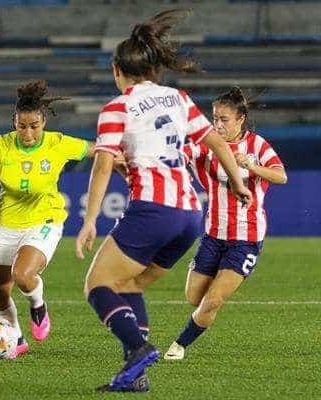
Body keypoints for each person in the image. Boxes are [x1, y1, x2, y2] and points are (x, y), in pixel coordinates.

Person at [74, 10, 253, 392]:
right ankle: (135, 379)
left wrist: (89, 220)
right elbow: (218, 142)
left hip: (153, 210)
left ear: (116, 70)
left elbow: (103, 163)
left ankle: (138, 349)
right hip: (190, 215)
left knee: (98, 284)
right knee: (130, 286)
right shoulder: (177, 98)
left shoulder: (117, 107)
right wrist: (238, 183)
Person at [0, 80, 95, 359]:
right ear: (14, 124)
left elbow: (98, 150)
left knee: (23, 275)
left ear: (43, 122)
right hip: (7, 224)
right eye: (22, 126)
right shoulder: (1, 144)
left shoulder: (58, 143)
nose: (28, 133)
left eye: (34, 126)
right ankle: (16, 338)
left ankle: (38, 306)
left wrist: (125, 157)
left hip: (45, 219)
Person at [164, 87, 287, 360]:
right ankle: (206, 308)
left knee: (213, 300)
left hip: (247, 238)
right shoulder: (208, 144)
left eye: (224, 119)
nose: (217, 124)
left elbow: (281, 177)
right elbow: (185, 152)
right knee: (194, 298)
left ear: (241, 119)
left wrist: (253, 167)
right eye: (215, 118)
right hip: (213, 234)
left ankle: (179, 345)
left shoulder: (257, 146)